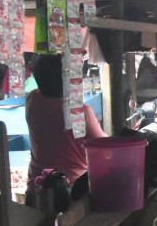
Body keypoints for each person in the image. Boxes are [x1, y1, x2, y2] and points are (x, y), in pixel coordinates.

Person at [25, 54, 105, 194]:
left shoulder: (32, 100)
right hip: (69, 189)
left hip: (37, 186)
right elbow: (103, 146)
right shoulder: (80, 112)